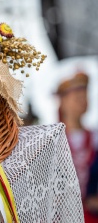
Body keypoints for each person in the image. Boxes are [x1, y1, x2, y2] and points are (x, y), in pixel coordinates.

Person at [56, 72, 98, 221]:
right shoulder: (54, 139)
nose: (82, 99)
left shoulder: (95, 137)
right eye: (76, 95)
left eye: (84, 95)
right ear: (62, 99)